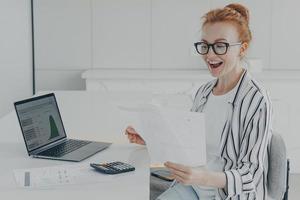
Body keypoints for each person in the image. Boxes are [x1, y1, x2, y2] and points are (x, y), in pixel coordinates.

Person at [125, 3, 272, 200]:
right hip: (192, 188)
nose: (210, 55)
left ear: (242, 48)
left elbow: (251, 176)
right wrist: (151, 139)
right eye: (205, 45)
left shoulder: (256, 100)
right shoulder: (204, 93)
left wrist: (204, 177)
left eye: (220, 45)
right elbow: (188, 145)